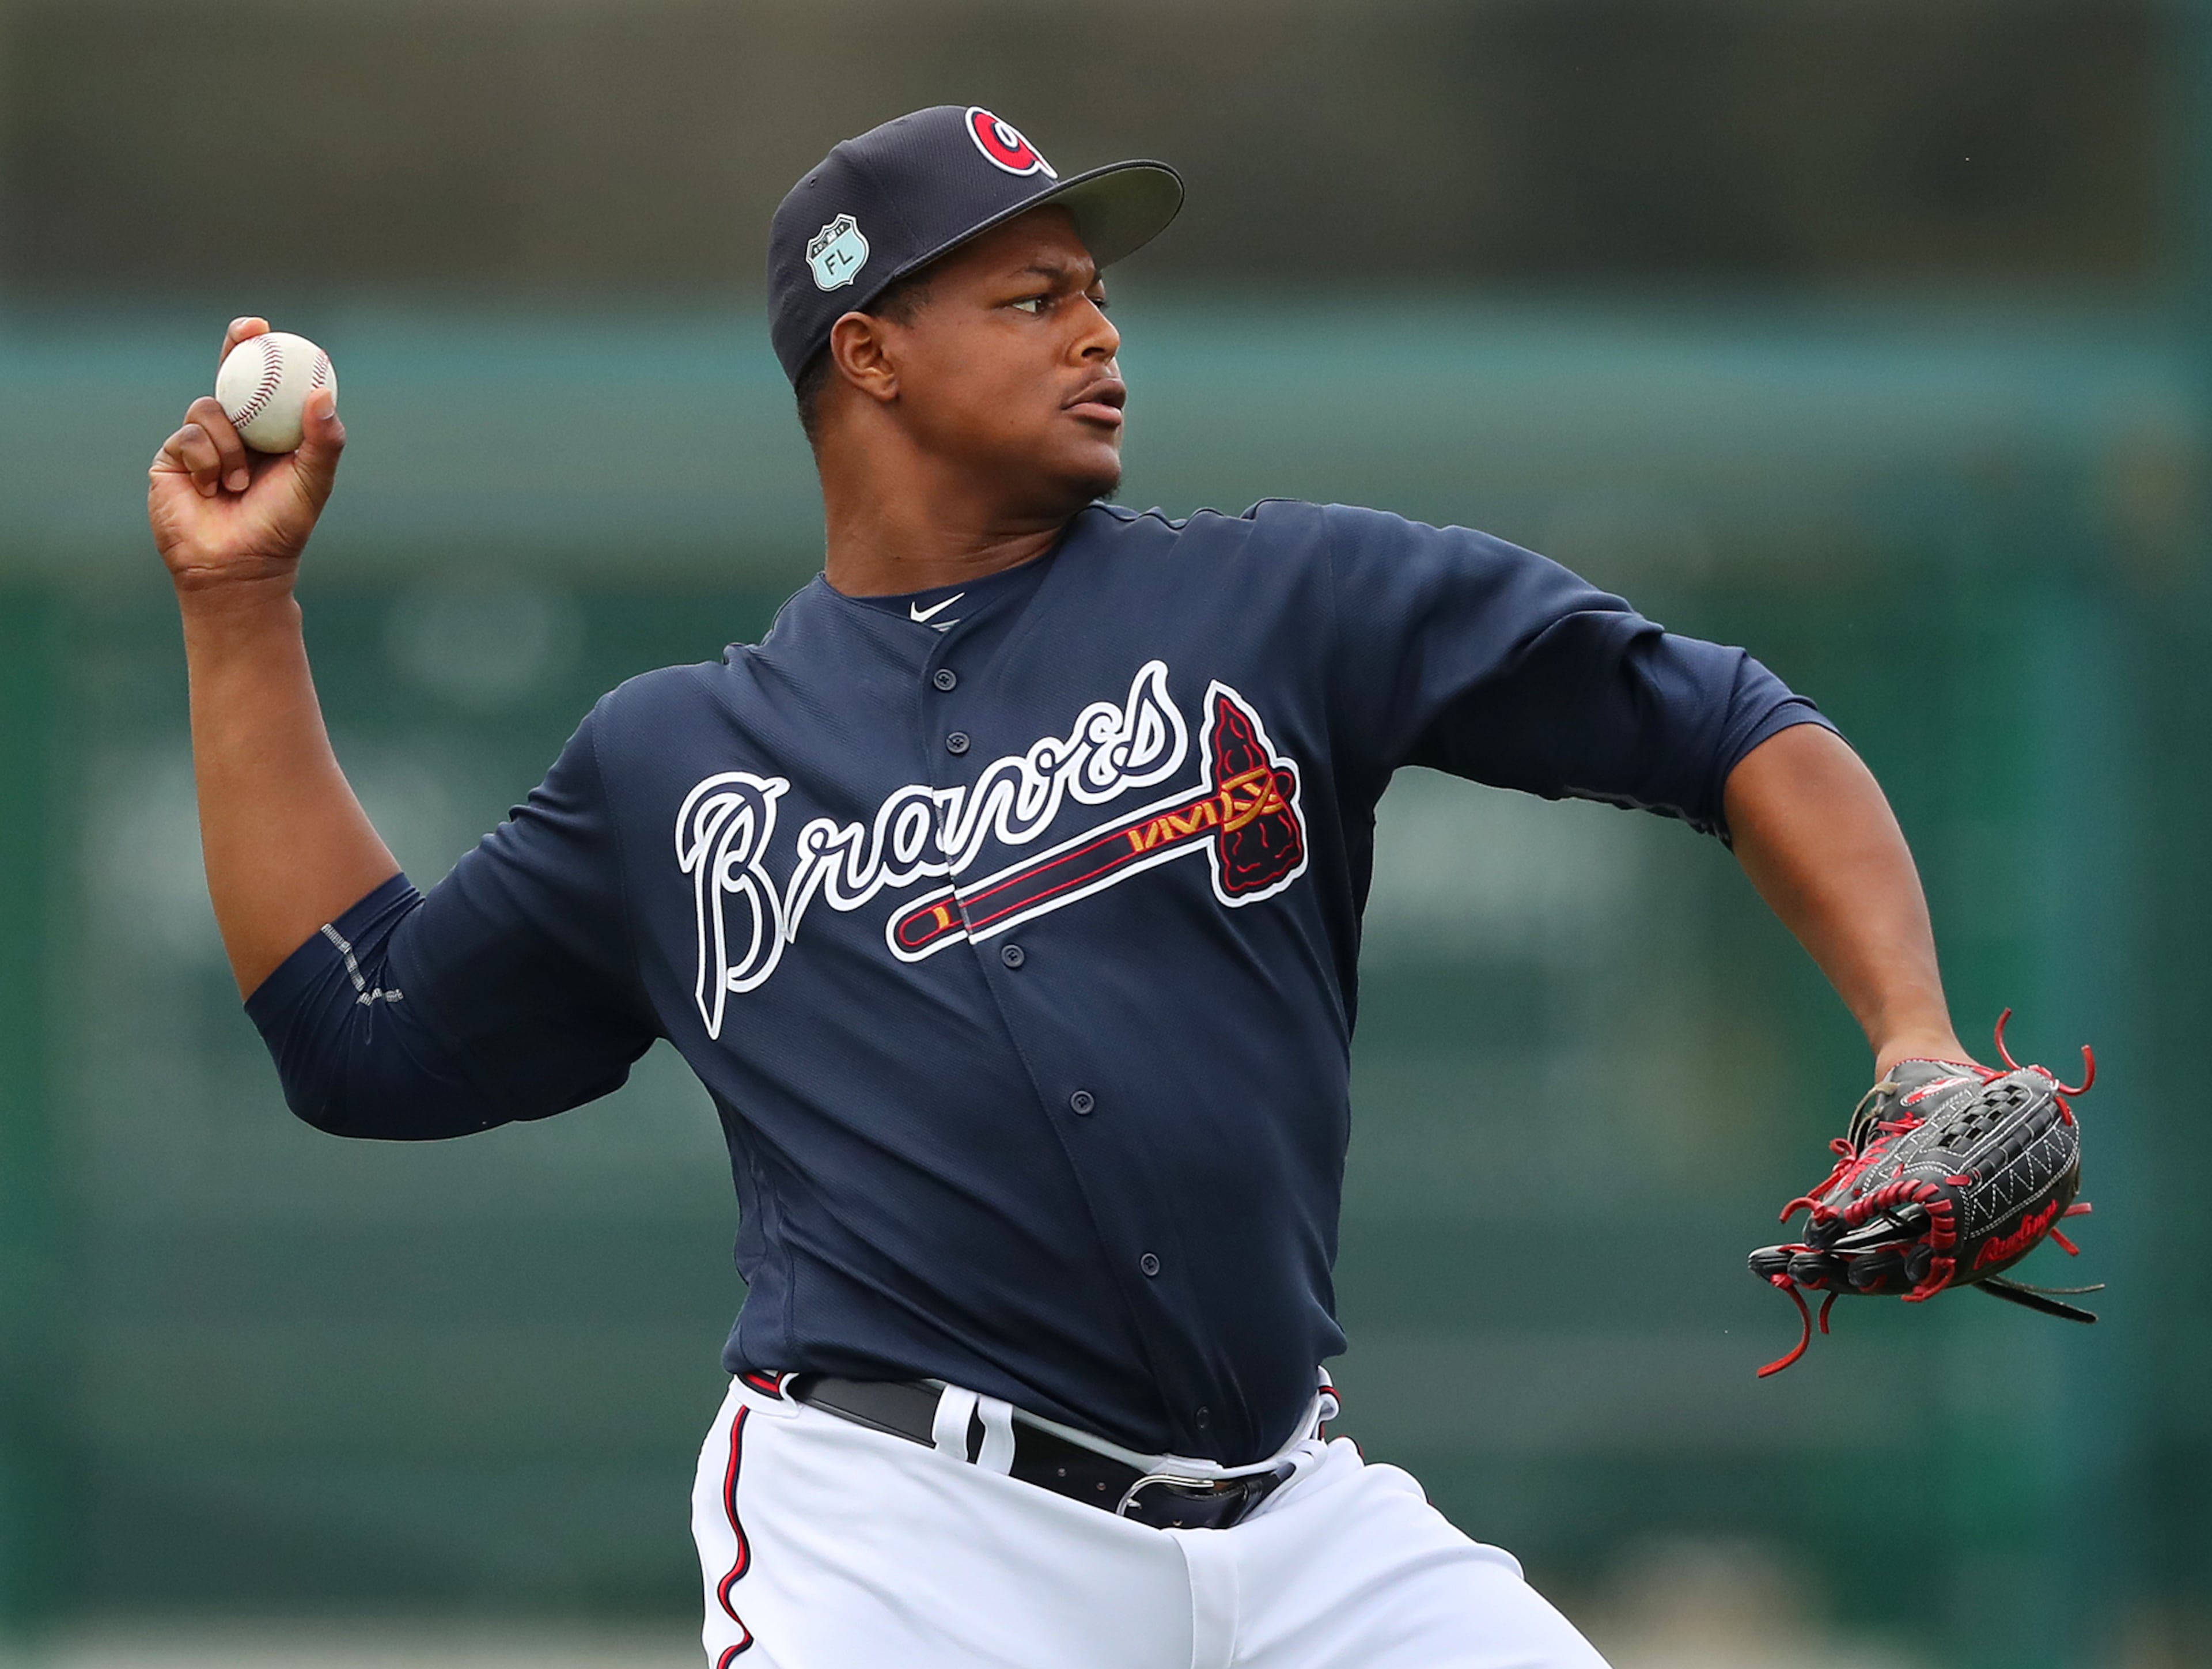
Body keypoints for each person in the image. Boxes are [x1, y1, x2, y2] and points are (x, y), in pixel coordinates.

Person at [148, 107, 1974, 1669]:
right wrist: (239, 610)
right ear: (867, 351)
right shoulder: (676, 761)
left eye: (1098, 296)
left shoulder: (1283, 602)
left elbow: (1730, 724)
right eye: (1032, 299)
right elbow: (360, 1031)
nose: (1098, 334)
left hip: (1300, 1516)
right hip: (912, 1538)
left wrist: (1918, 1042)